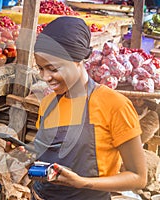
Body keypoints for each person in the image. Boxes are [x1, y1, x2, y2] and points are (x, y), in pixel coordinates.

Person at [9, 16, 147, 199]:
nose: (46, 77)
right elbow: (51, 156)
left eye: (53, 69)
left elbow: (138, 177)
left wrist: (83, 182)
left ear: (77, 60)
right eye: (41, 69)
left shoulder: (115, 105)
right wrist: (28, 158)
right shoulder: (48, 103)